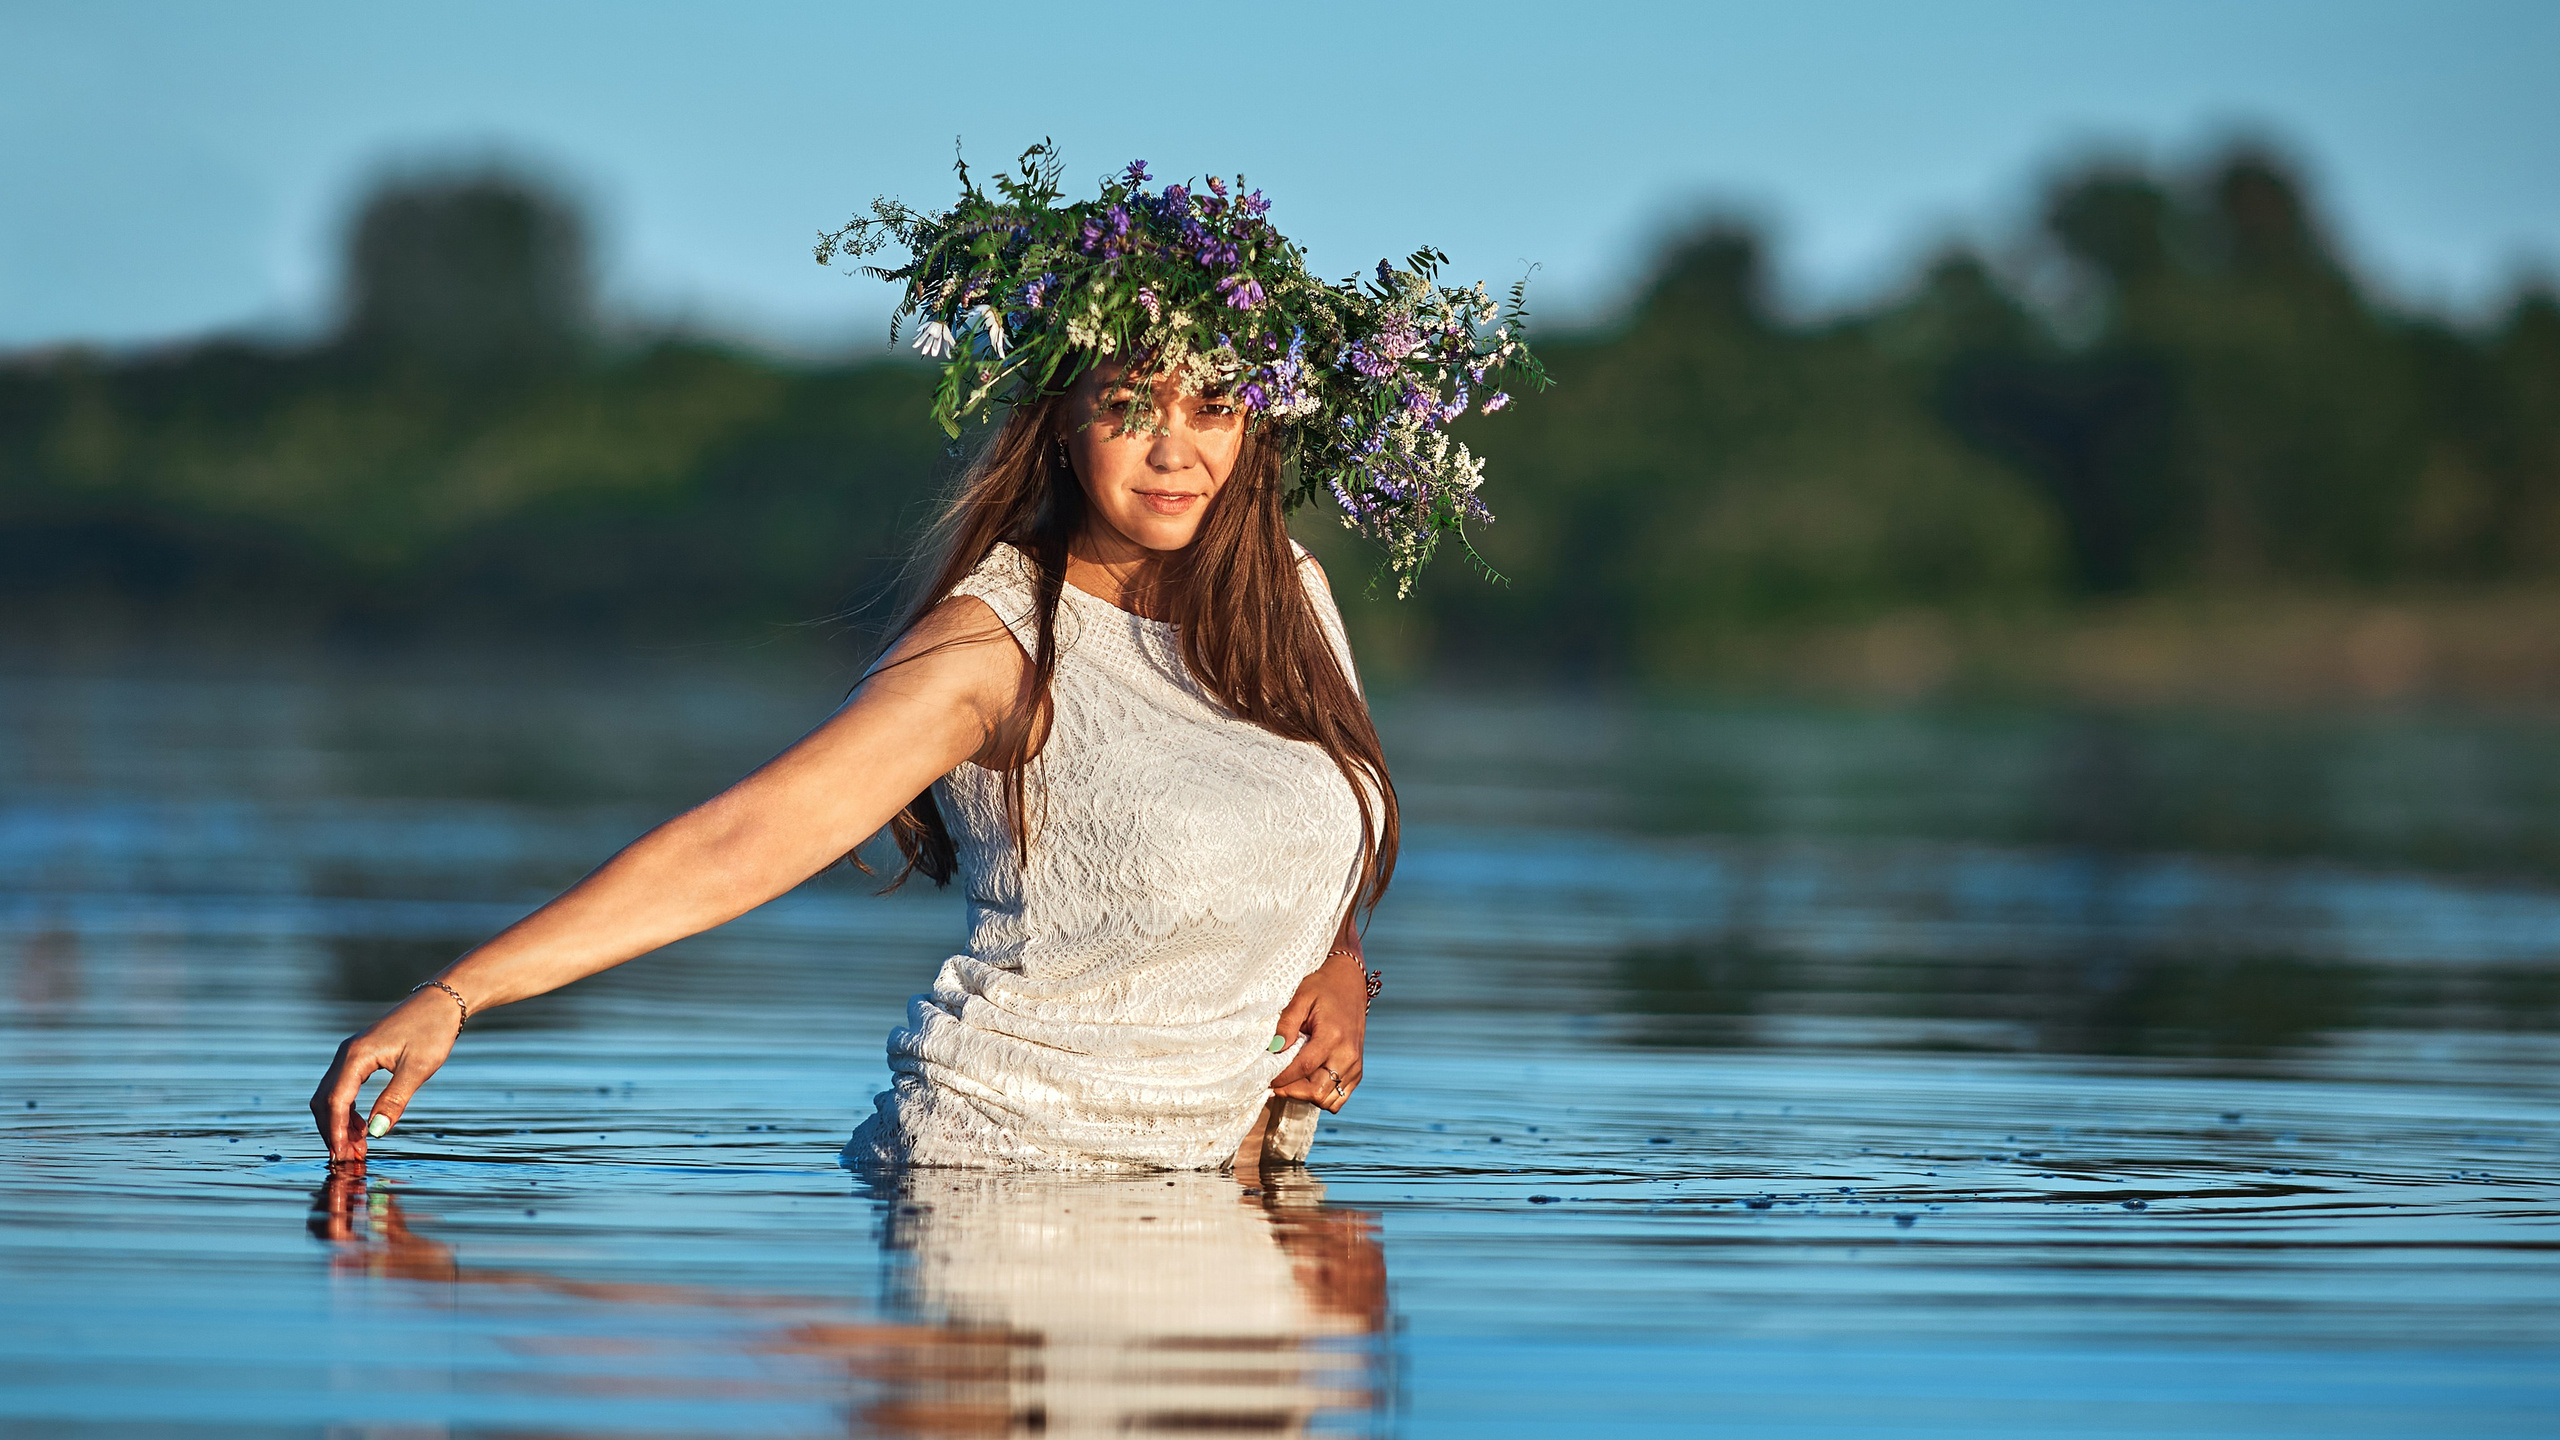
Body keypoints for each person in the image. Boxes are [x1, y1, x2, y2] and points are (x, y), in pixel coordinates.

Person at [310, 144, 1541, 1173]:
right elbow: (751, 836)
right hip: (1001, 1180)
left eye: (1211, 407)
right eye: (1126, 404)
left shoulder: (1295, 598)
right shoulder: (994, 641)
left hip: (1212, 1187)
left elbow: (1305, 819)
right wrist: (461, 993)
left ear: (1257, 424)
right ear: (1058, 423)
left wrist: (1336, 960)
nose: (1173, 451)